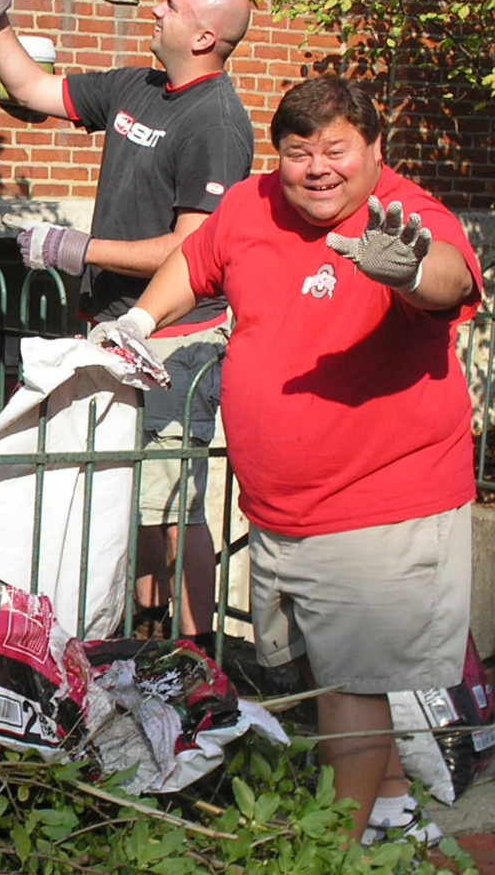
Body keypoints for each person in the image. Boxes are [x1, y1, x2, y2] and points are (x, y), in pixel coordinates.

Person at [120, 74, 477, 844]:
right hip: (282, 509)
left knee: (351, 684)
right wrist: (142, 319)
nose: (317, 168)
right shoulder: (251, 204)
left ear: (375, 149)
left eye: (337, 149)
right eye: (298, 151)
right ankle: (387, 809)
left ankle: (334, 851)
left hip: (379, 501)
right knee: (330, 671)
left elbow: (447, 276)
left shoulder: (404, 220)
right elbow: (198, 259)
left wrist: (408, 271)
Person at [0, 0, 253, 648]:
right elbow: (29, 87)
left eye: (172, 5)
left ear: (205, 36)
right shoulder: (134, 86)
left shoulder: (217, 123)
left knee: (166, 511)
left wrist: (80, 247)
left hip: (177, 342)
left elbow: (193, 248)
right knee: (115, 499)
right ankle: (129, 645)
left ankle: (189, 656)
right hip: (107, 331)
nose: (156, 7)